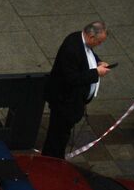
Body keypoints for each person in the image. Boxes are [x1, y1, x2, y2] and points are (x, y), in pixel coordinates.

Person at [41, 21, 112, 159]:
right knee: (57, 136)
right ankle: (52, 160)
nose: (99, 45)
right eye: (99, 42)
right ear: (91, 37)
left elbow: (89, 55)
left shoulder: (80, 40)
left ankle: (54, 157)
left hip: (71, 101)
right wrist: (96, 73)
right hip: (64, 102)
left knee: (61, 134)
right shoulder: (71, 49)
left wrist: (98, 61)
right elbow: (72, 79)